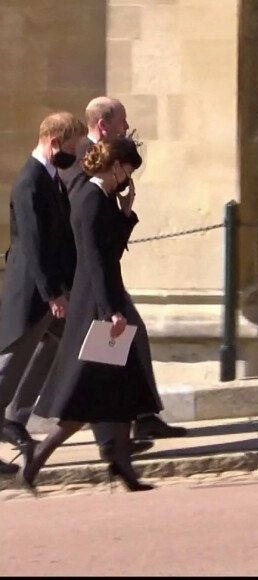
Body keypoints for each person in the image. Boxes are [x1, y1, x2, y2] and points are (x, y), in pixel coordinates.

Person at [18, 137, 161, 494]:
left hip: (102, 303)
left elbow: (109, 251)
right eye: (128, 169)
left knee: (115, 388)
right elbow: (98, 262)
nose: (129, 176)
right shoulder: (92, 199)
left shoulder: (99, 198)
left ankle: (120, 463)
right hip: (99, 307)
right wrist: (110, 310)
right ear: (117, 166)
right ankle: (39, 459)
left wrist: (126, 213)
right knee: (88, 394)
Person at [60, 96, 187, 441]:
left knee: (120, 345)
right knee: (98, 356)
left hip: (99, 276)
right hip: (88, 279)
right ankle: (107, 437)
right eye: (121, 123)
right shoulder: (85, 163)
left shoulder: (105, 166)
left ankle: (129, 426)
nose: (126, 129)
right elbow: (85, 225)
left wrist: (126, 212)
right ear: (104, 125)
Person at [0, 112, 86, 474]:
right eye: (71, 148)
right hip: (34, 293)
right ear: (53, 143)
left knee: (59, 347)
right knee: (8, 366)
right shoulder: (31, 182)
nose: (76, 155)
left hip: (52, 292)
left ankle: (16, 418)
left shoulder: (51, 178)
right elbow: (34, 246)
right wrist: (54, 293)